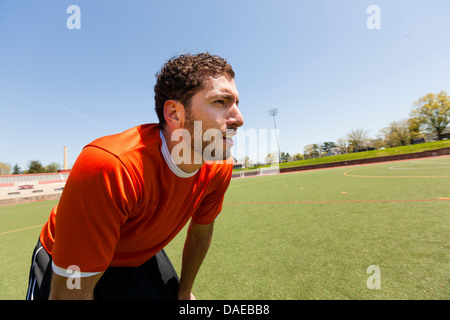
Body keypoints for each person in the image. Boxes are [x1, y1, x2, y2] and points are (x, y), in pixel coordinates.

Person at [26, 52, 244, 300]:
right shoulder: (111, 166)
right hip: (70, 261)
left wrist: (184, 294)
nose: (239, 118)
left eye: (236, 103)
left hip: (137, 256)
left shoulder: (219, 167)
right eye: (220, 102)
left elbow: (201, 231)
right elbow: (69, 295)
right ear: (174, 113)